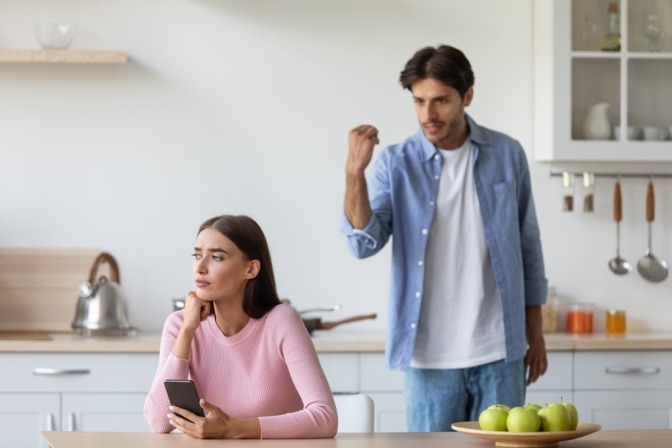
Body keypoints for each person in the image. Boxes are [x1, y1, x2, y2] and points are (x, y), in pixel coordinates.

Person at [340, 44, 548, 431]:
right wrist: (355, 175)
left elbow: (527, 244)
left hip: (500, 351)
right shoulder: (396, 162)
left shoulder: (507, 154)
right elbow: (362, 244)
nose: (428, 115)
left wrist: (535, 331)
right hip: (427, 357)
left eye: (440, 101)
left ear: (467, 96)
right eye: (419, 101)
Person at [144, 215, 337, 439]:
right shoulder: (181, 324)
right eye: (197, 255)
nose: (200, 267)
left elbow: (325, 419)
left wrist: (233, 428)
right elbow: (158, 422)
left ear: (251, 269)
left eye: (216, 257)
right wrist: (187, 331)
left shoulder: (281, 322)